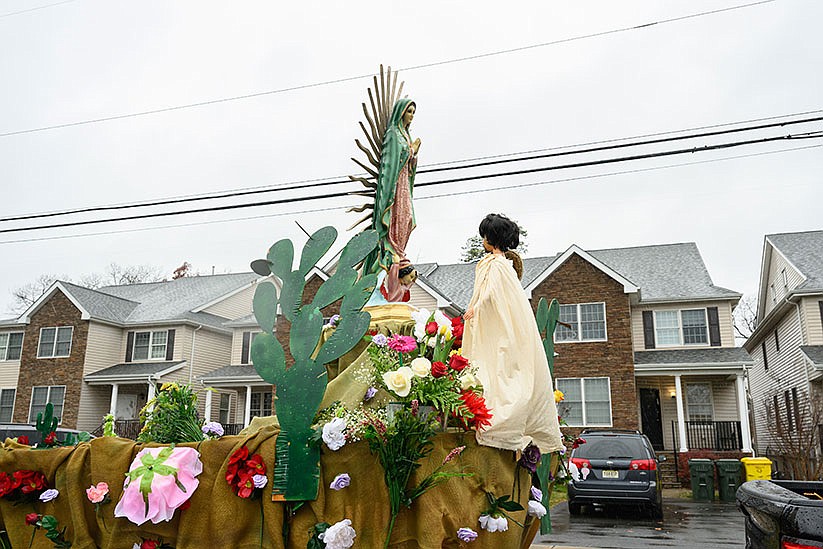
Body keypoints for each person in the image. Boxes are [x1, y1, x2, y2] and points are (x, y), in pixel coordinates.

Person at [462, 214, 563, 454]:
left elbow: (494, 293)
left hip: (494, 320)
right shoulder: (493, 263)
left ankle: (501, 424)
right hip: (489, 319)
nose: (483, 240)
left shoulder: (498, 264)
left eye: (486, 236)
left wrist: (476, 308)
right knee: (490, 365)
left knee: (499, 365)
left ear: (491, 238)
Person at [363, 98, 421, 301]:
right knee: (398, 219)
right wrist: (411, 150)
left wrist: (414, 156)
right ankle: (393, 251)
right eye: (409, 111)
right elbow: (391, 162)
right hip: (393, 189)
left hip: (405, 184)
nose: (412, 115)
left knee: (407, 220)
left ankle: (399, 252)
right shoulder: (394, 134)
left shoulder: (405, 134)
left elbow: (409, 163)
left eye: (414, 112)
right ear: (401, 112)